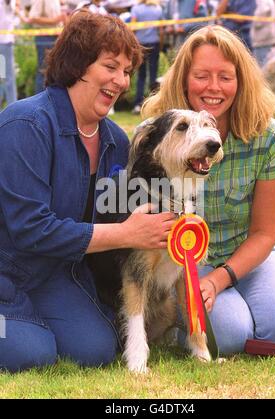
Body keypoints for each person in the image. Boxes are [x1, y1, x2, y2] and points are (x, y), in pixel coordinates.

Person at [0, 11, 175, 373]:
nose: (121, 80)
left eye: (126, 71)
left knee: (96, 349)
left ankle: (29, 325)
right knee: (32, 354)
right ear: (77, 64)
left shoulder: (114, 139)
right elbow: (31, 228)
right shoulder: (24, 124)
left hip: (56, 275)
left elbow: (130, 212)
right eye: (110, 66)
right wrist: (125, 233)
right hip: (7, 271)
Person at [142, 24, 275, 355]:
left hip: (251, 255)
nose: (214, 87)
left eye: (225, 77)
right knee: (229, 336)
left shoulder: (270, 137)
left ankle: (249, 313)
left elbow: (264, 233)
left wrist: (219, 280)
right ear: (184, 79)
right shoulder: (159, 133)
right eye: (202, 75)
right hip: (184, 261)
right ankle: (174, 325)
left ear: (241, 81)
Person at [131, 0, 163, 115]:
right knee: (153, 76)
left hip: (141, 45)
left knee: (141, 75)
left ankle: (138, 104)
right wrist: (161, 44)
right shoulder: (158, 9)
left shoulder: (136, 8)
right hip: (154, 44)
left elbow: (133, 28)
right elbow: (160, 30)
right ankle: (154, 104)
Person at [27, 0, 66, 94]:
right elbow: (32, 18)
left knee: (54, 71)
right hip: (44, 37)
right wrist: (54, 20)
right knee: (43, 71)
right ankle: (39, 104)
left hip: (56, 36)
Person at [0, 0, 19, 108]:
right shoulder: (7, 3)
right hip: (5, 42)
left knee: (3, 76)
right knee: (8, 78)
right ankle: (13, 107)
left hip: (4, 42)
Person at [250, 0, 275, 67]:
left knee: (261, 69)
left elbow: (259, 21)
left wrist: (251, 21)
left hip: (263, 40)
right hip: (267, 39)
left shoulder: (264, 2)